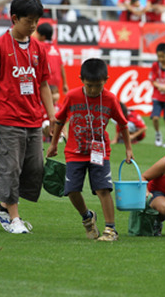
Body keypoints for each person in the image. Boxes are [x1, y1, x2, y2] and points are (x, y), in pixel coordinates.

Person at [0, 0, 57, 234]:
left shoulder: (39, 49)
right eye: (29, 20)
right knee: (10, 168)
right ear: (14, 19)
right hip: (7, 119)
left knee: (34, 168)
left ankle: (2, 208)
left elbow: (43, 84)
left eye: (36, 20)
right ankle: (14, 218)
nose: (33, 25)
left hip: (33, 120)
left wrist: (52, 116)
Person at [46, 58, 134, 242]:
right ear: (81, 79)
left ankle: (110, 230)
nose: (93, 90)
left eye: (98, 86)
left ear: (106, 80)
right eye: (89, 85)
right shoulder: (72, 96)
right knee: (71, 190)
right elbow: (60, 120)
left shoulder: (110, 99)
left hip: (100, 152)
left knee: (103, 189)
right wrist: (54, 144)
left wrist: (128, 148)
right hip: (74, 152)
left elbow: (123, 124)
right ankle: (87, 217)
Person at [33, 22, 69, 94]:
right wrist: (65, 83)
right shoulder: (56, 48)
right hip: (56, 82)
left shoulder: (39, 47)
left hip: (44, 82)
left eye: (37, 34)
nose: (36, 35)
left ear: (43, 36)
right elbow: (61, 66)